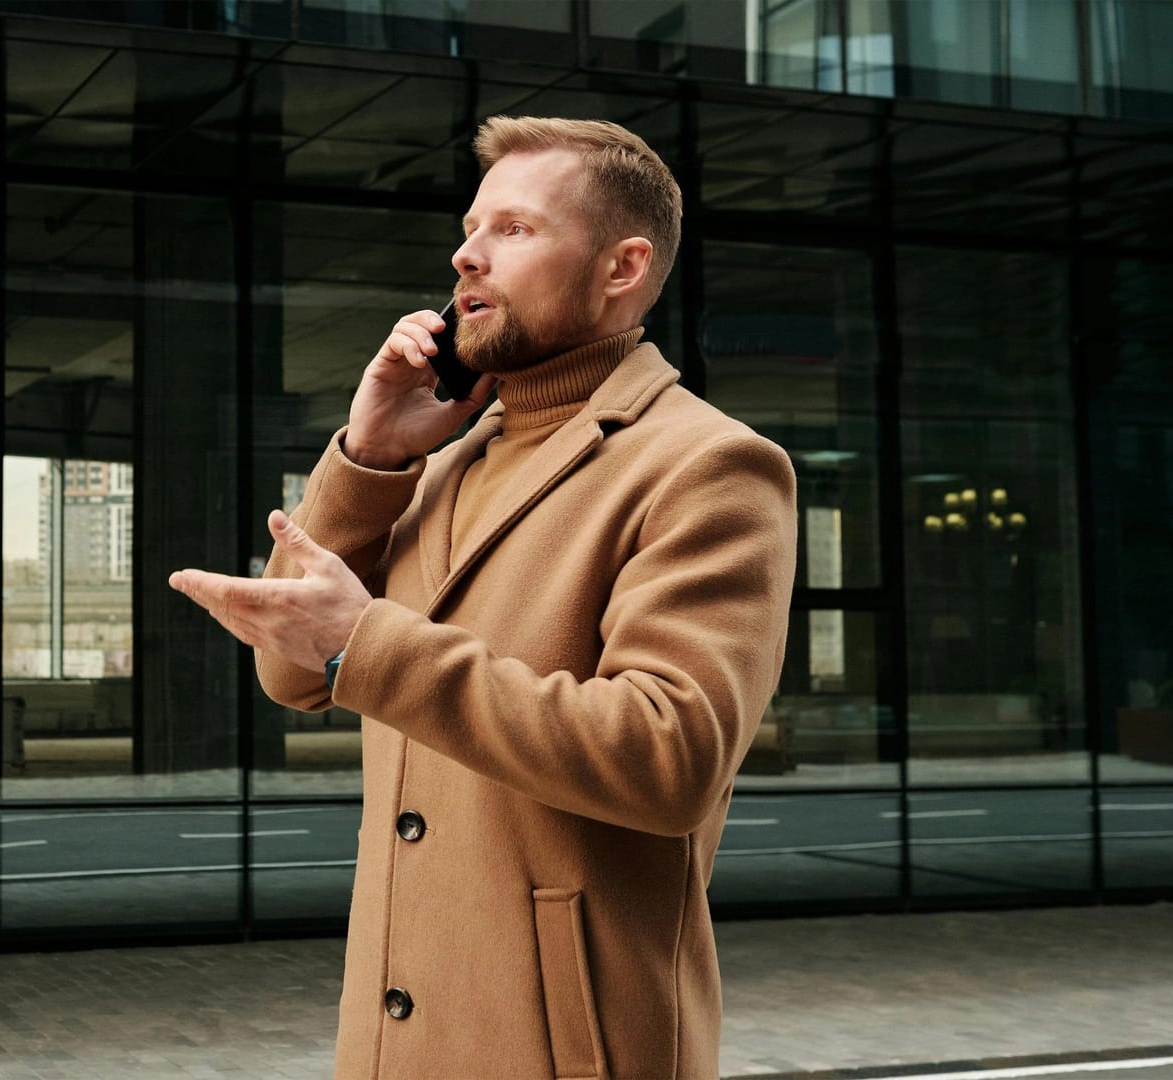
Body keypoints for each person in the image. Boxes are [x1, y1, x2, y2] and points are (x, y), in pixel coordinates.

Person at [168, 117, 798, 1080]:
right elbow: (294, 676)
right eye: (470, 228)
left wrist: (368, 642)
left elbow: (670, 757)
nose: (466, 255)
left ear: (622, 267)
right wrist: (371, 456)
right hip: (391, 1041)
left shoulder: (709, 465)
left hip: (564, 1049)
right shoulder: (445, 459)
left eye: (513, 228)